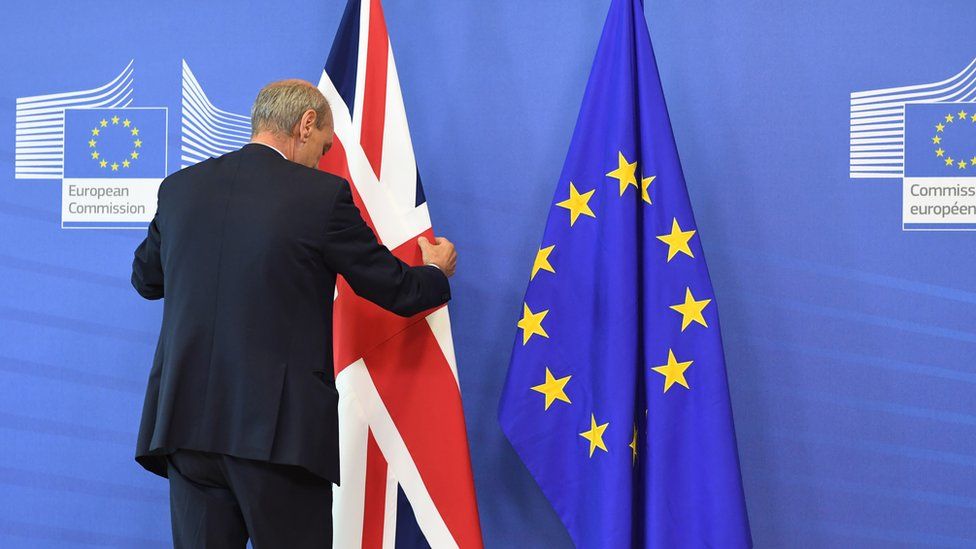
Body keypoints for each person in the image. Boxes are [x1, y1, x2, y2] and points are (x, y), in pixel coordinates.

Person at [131, 79, 456, 548]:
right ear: (306, 125)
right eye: (322, 148)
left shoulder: (180, 189)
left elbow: (146, 281)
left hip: (187, 432)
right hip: (277, 437)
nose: (319, 160)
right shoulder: (320, 198)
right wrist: (434, 271)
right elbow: (394, 287)